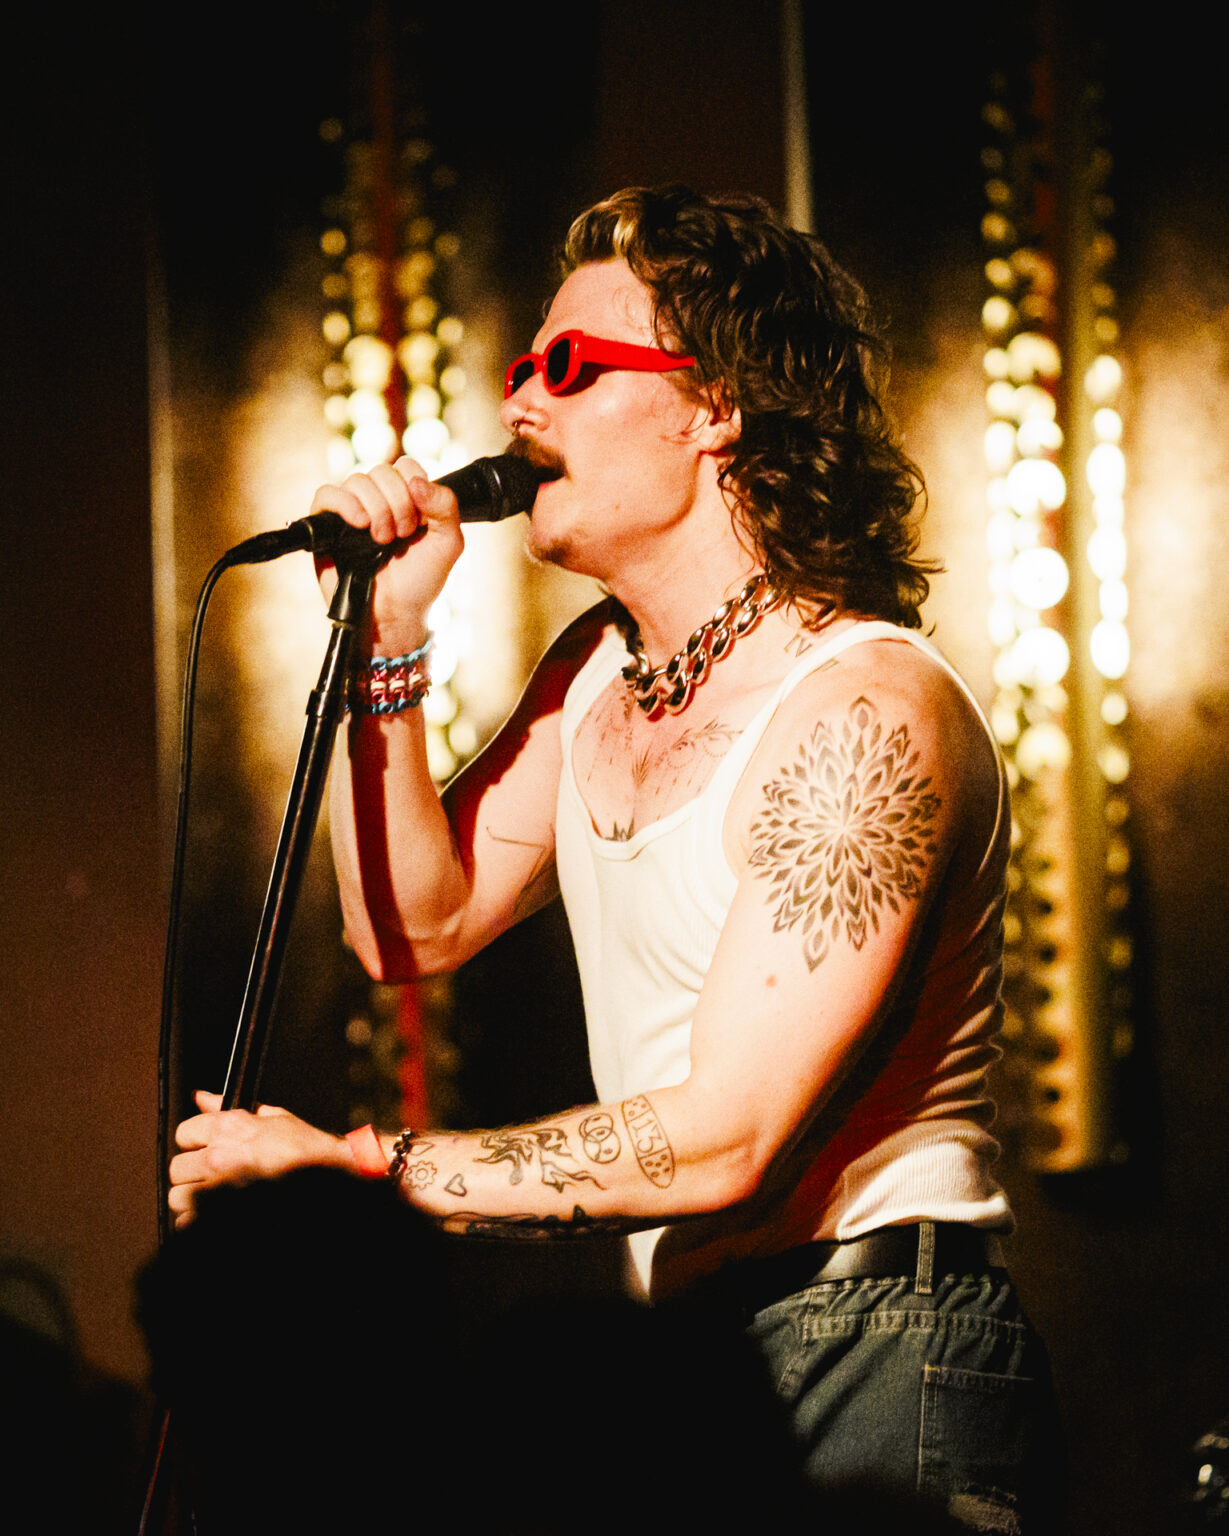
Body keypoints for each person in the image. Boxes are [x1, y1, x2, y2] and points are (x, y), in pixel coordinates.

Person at [170, 185, 1062, 1527]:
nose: (521, 398)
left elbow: (726, 1137)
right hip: (703, 1350)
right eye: (522, 365)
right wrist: (384, 644)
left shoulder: (865, 707)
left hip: (877, 1332)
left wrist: (357, 1174)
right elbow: (409, 927)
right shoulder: (599, 674)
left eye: (571, 365)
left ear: (715, 408)